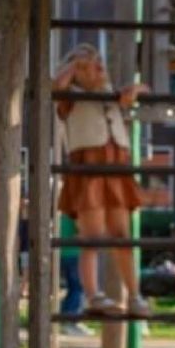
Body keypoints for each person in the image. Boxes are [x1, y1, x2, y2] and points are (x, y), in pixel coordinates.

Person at [53, 43, 149, 316]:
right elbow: (56, 84)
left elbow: (136, 93)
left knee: (122, 236)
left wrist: (136, 89)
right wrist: (75, 64)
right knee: (91, 237)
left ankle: (134, 296)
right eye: (91, 65)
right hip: (89, 166)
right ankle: (94, 296)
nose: (99, 68)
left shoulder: (108, 93)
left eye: (100, 63)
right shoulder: (69, 96)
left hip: (116, 165)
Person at [57, 211, 91, 335]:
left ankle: (66, 318)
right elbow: (81, 229)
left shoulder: (66, 212)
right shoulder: (77, 210)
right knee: (78, 287)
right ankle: (71, 320)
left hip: (66, 252)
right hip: (75, 252)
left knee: (73, 287)